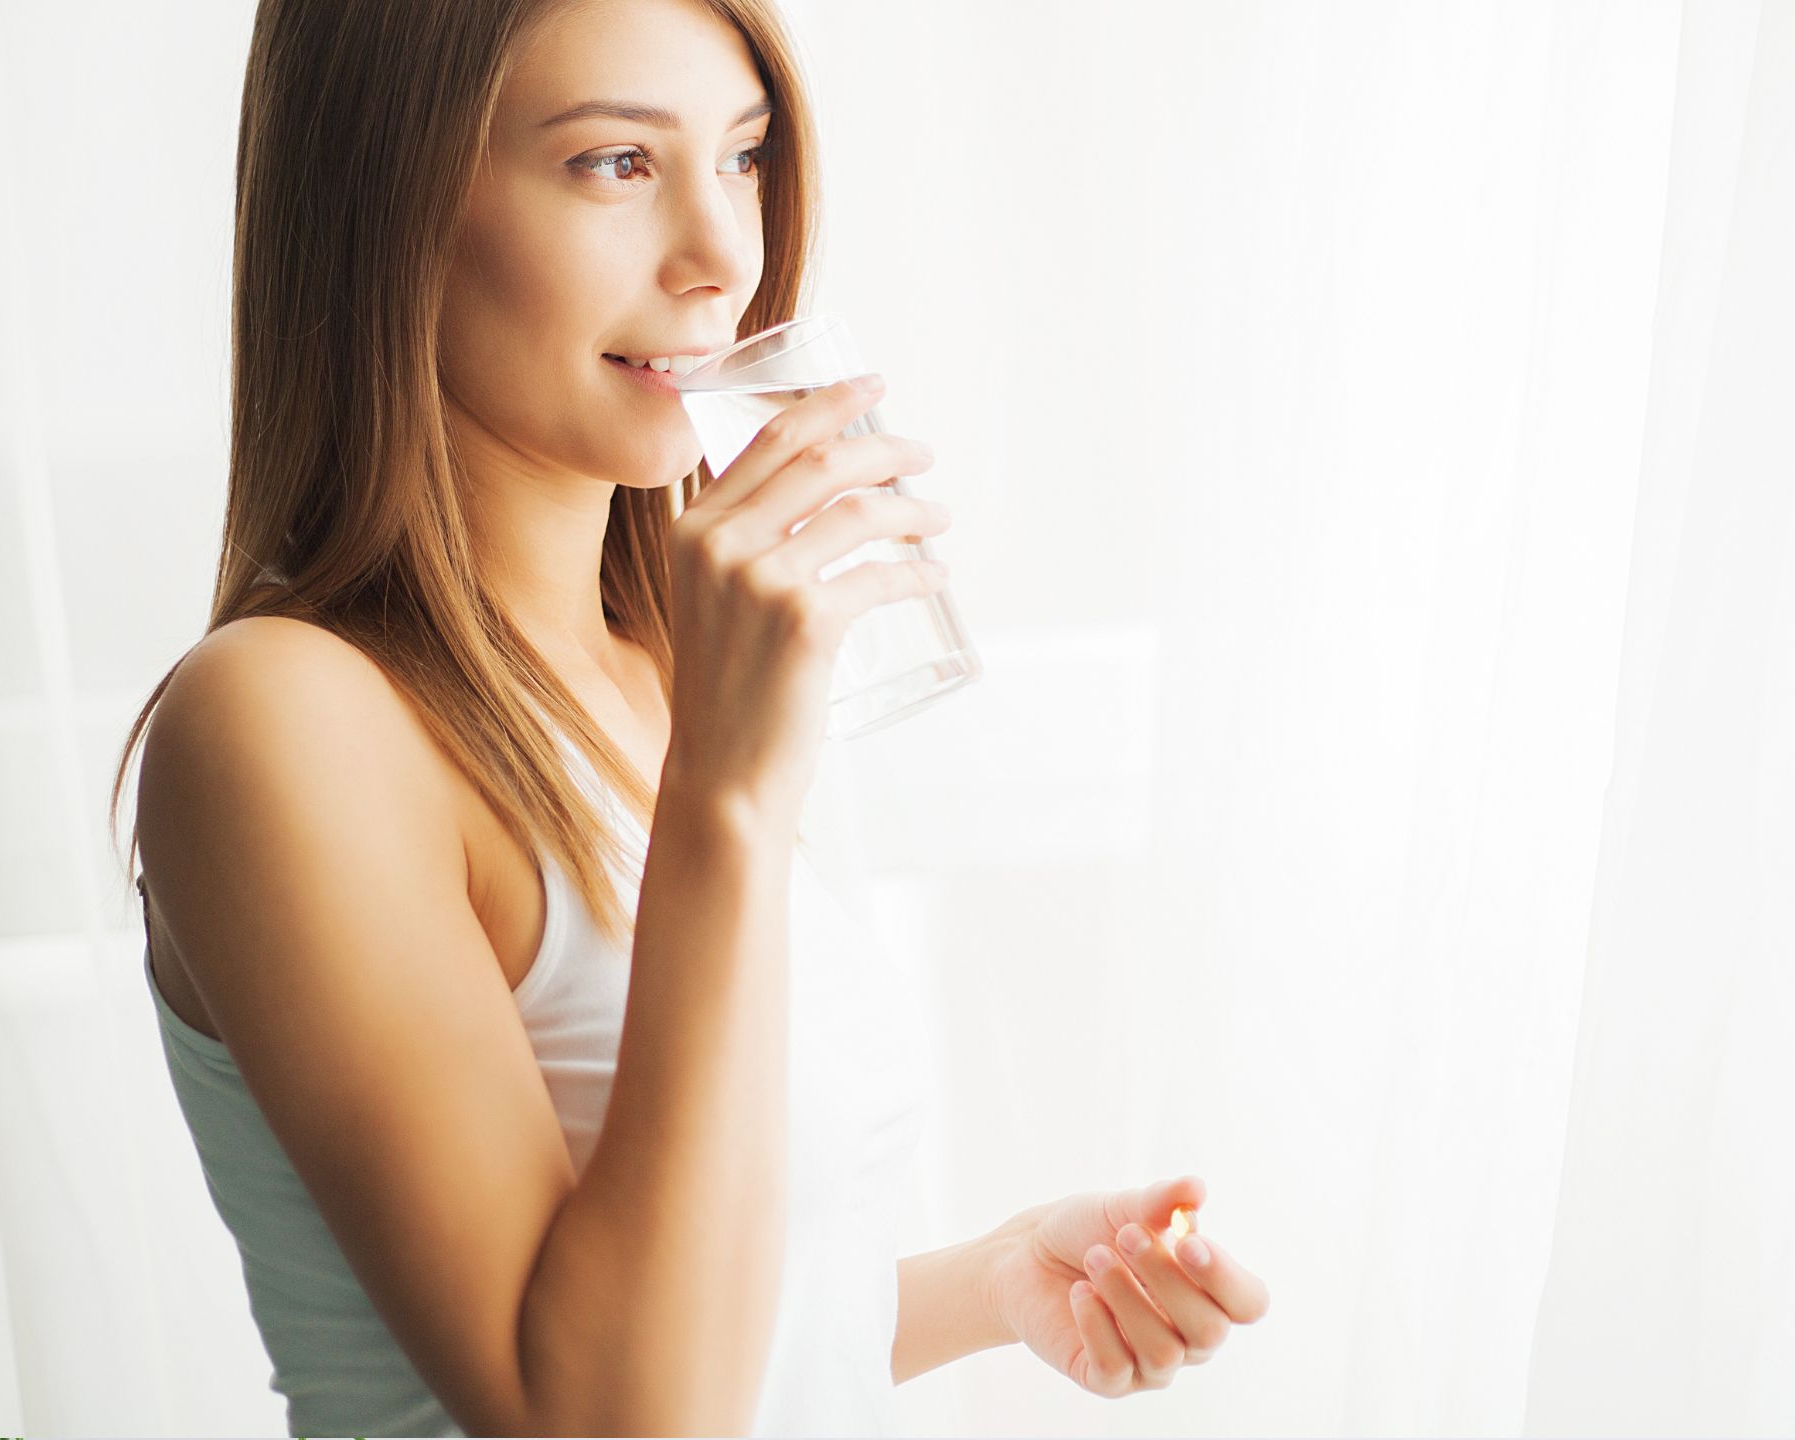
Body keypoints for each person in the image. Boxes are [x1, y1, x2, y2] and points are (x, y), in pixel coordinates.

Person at [109, 0, 1270, 1432]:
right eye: (614, 164)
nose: (724, 257)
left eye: (743, 155)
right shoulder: (283, 725)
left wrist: (988, 1281)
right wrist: (725, 792)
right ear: (390, 201)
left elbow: (697, 1314)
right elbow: (595, 1414)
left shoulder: (656, 666)